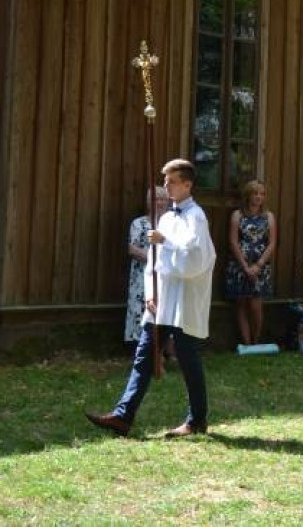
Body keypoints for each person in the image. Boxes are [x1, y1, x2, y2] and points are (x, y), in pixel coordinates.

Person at [87, 159, 216, 438]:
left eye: (171, 181)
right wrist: (150, 293)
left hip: (183, 301)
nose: (166, 186)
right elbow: (153, 262)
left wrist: (165, 241)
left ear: (187, 184)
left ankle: (197, 420)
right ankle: (123, 416)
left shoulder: (196, 217)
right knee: (144, 355)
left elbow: (198, 257)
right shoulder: (167, 218)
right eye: (166, 181)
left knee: (187, 358)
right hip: (161, 300)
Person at [225, 179, 277, 346]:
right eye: (255, 193)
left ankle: (256, 341)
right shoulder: (237, 215)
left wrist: (259, 265)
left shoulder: (268, 216)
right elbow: (233, 241)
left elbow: (272, 242)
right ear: (248, 195)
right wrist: (245, 267)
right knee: (241, 303)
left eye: (262, 194)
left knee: (255, 305)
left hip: (261, 265)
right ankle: (246, 343)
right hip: (240, 265)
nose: (258, 197)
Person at [124, 186, 169, 344]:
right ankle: (143, 351)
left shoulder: (172, 224)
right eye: (156, 199)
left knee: (165, 312)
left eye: (163, 199)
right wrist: (155, 261)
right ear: (149, 202)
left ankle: (166, 352)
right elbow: (132, 249)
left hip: (167, 276)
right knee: (143, 311)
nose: (160, 202)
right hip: (143, 275)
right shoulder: (139, 223)